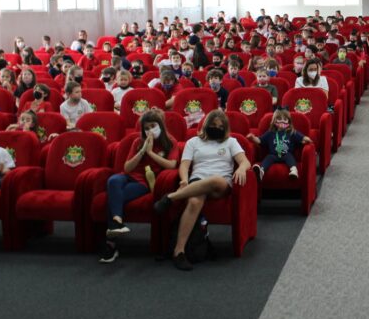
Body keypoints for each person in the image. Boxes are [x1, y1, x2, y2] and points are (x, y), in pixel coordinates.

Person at [153, 110, 251, 271]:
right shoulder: (193, 142)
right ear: (206, 125)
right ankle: (179, 251)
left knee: (214, 180)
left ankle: (171, 198)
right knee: (193, 201)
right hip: (196, 181)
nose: (216, 128)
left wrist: (241, 168)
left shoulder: (231, 142)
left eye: (220, 126)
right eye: (213, 125)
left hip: (221, 183)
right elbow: (184, 165)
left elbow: (245, 161)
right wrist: (184, 180)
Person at [100, 110, 180, 263]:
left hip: (143, 182)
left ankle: (111, 244)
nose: (150, 130)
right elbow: (127, 168)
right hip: (129, 176)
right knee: (113, 181)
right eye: (146, 127)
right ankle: (117, 221)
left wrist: (150, 153)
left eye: (153, 126)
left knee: (114, 197)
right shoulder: (137, 142)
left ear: (161, 126)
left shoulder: (170, 142)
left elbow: (171, 165)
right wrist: (143, 150)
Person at [247, 108, 312, 180]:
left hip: (286, 154)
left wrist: (307, 140)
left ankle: (294, 170)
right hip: (274, 155)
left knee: (290, 157)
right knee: (268, 158)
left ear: (289, 122)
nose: (282, 121)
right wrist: (252, 138)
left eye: (285, 119)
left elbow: (302, 138)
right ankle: (261, 171)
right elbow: (260, 140)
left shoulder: (292, 132)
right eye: (279, 118)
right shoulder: (270, 132)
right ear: (274, 121)